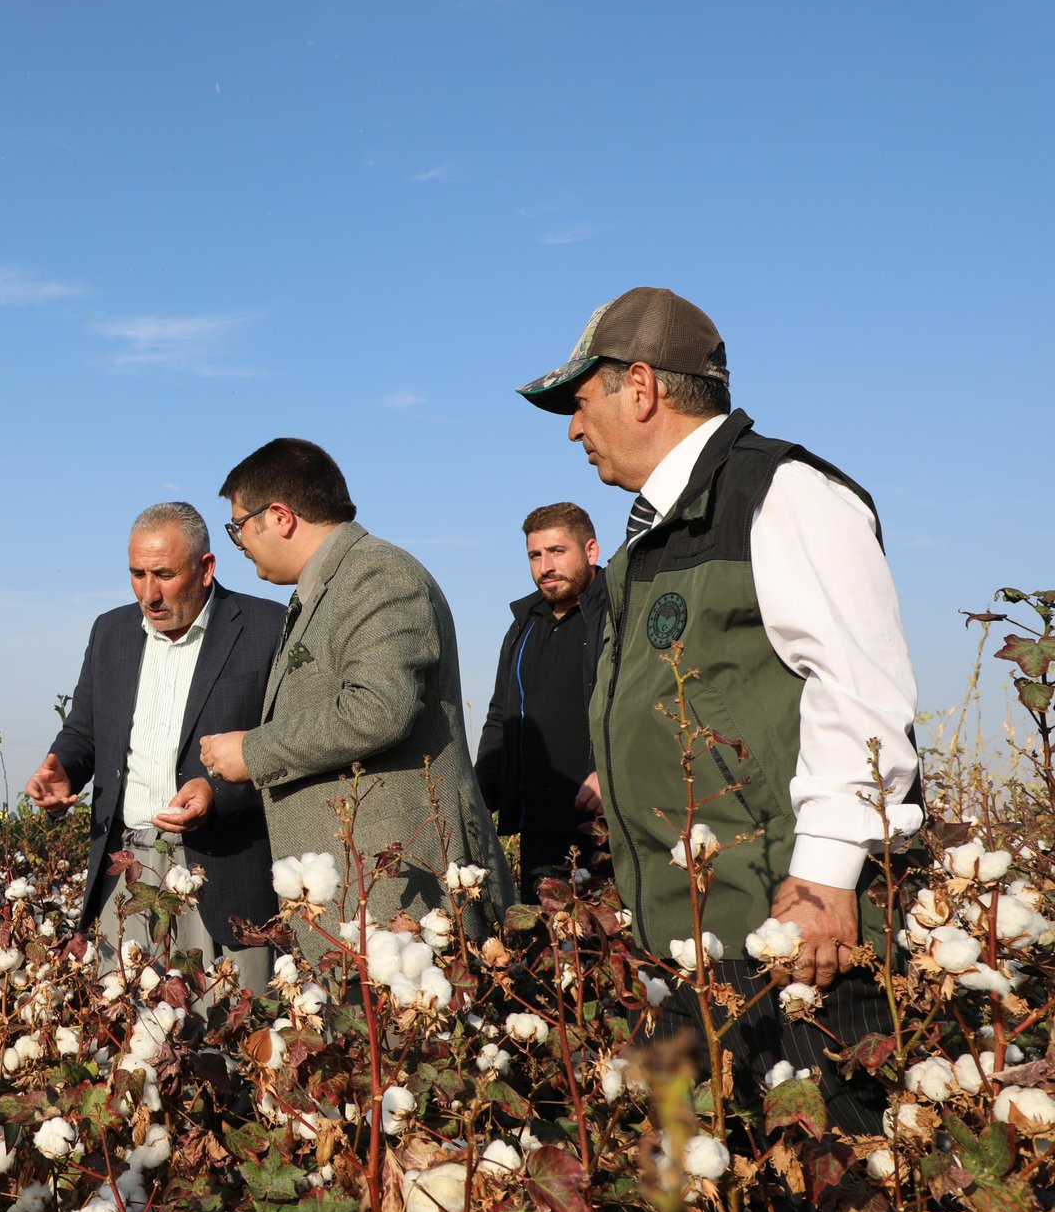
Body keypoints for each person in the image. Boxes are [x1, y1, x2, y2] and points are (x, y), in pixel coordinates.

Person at [517, 285, 922, 1133]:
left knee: (823, 1201)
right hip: (692, 941)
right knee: (718, 1211)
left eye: (581, 402)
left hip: (788, 939)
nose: (572, 427)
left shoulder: (784, 494)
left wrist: (825, 876)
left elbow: (861, 686)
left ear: (640, 387)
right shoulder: (645, 540)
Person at [197, 439, 512, 960]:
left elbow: (377, 708)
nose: (239, 542)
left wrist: (252, 751)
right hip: (363, 893)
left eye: (237, 527)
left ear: (278, 517)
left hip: (399, 896)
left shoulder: (376, 574)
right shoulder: (323, 588)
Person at [26, 502, 287, 992]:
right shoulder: (111, 633)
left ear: (207, 569)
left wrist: (219, 794)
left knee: (231, 1042)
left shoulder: (268, 628)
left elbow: (291, 749)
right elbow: (84, 731)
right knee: (131, 1039)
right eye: (137, 574)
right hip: (124, 869)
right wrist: (62, 767)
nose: (150, 592)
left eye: (164, 574)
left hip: (224, 870)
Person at [474, 502, 611, 902]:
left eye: (557, 551)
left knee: (607, 954)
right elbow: (501, 716)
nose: (545, 566)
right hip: (537, 831)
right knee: (541, 955)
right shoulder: (524, 625)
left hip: (603, 826)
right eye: (535, 555)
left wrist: (612, 771)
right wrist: (480, 796)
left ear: (590, 551)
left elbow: (644, 705)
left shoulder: (618, 614)